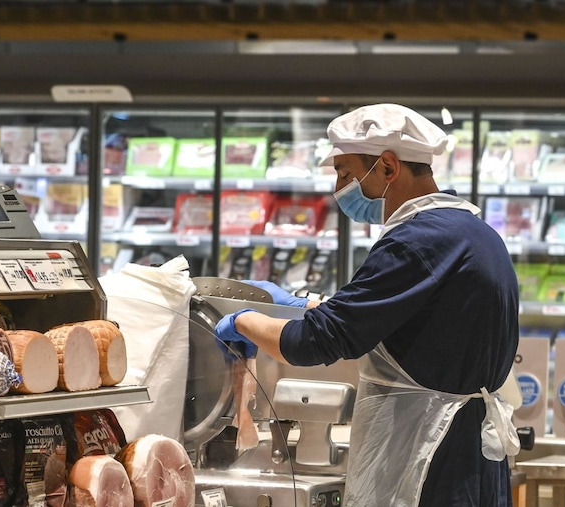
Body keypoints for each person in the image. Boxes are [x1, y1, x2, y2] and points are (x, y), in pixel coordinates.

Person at [214, 103, 522, 507]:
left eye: (345, 173)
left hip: (428, 459)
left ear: (388, 167)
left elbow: (317, 342)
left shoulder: (417, 241)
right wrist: (306, 306)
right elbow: (397, 320)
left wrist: (243, 320)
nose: (339, 188)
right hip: (469, 456)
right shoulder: (473, 232)